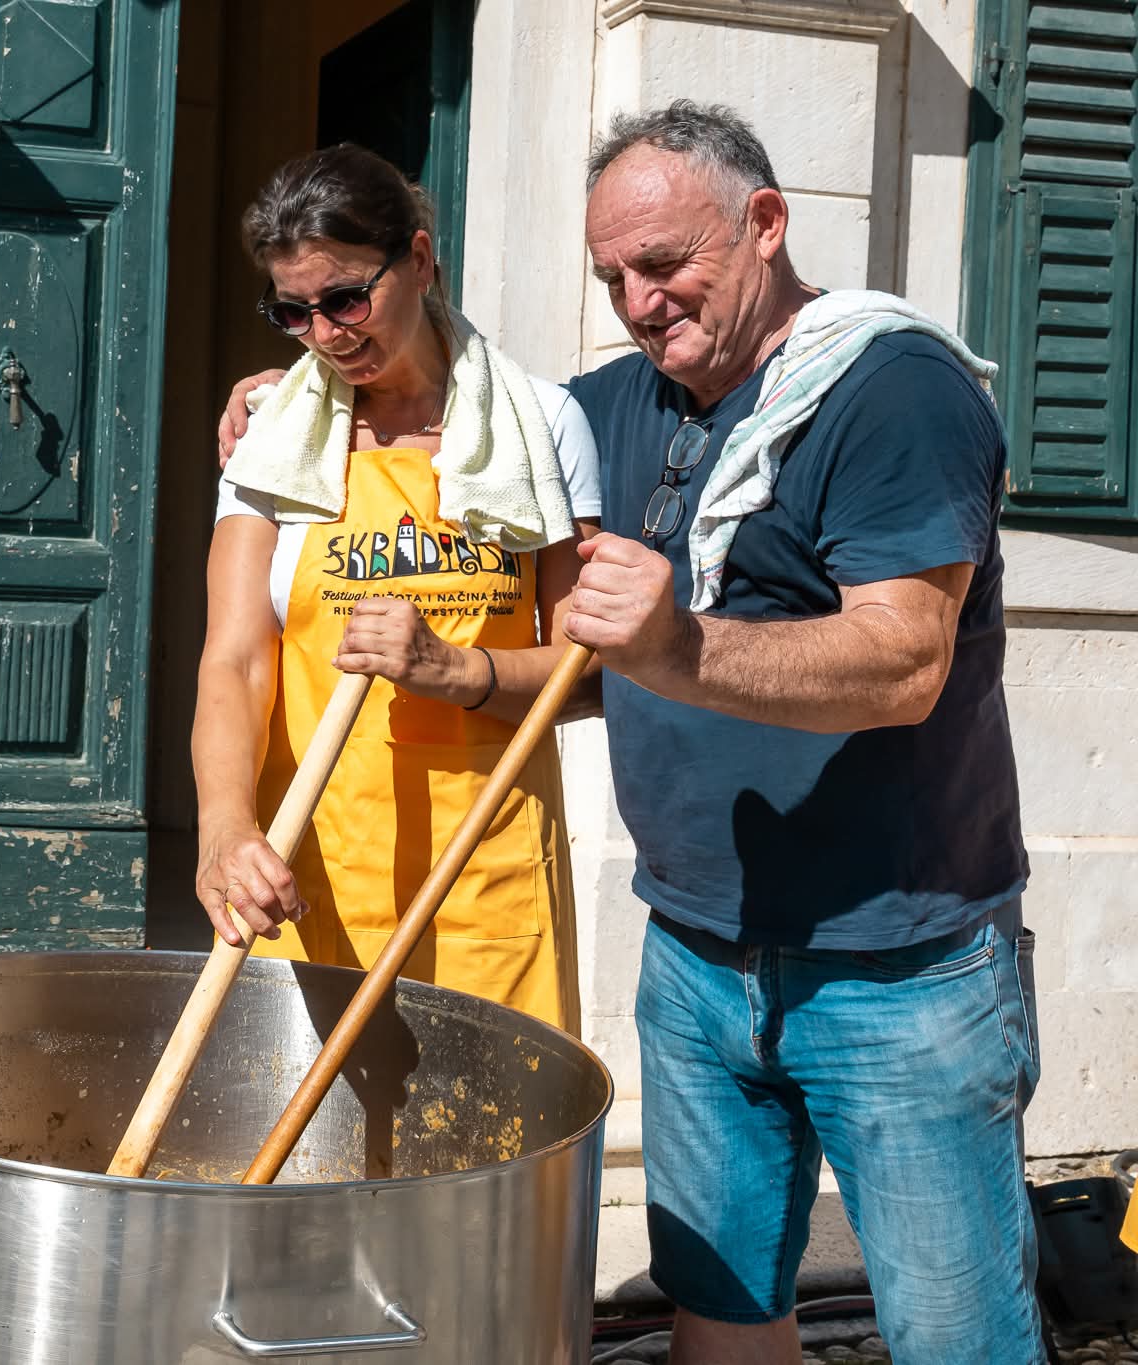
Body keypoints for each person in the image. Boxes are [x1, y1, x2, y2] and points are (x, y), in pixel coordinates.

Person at [218, 104, 1039, 1365]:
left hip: (895, 962)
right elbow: (462, 420)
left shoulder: (894, 391)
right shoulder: (606, 410)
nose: (639, 303)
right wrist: (298, 400)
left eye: (664, 264)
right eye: (611, 278)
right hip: (696, 949)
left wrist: (672, 648)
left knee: (953, 1335)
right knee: (719, 1311)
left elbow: (903, 663)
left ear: (764, 224)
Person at [197, 145, 600, 1030]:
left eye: (346, 298)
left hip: (488, 885)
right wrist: (224, 827)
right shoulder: (271, 442)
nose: (326, 335)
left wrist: (455, 670)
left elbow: (591, 670)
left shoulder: (541, 426)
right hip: (314, 876)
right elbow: (234, 660)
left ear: (418, 259)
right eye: (293, 312)